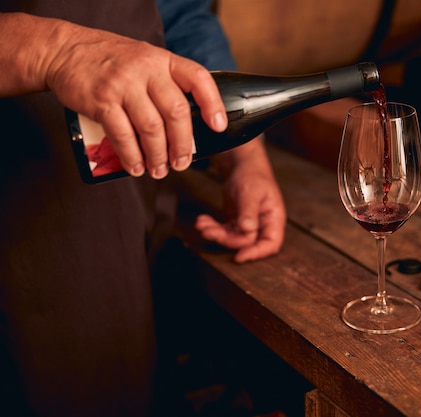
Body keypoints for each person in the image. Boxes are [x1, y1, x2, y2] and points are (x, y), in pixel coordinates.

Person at [0, 0, 286, 416]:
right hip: (23, 222)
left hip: (136, 209)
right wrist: (53, 49)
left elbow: (178, 13)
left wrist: (243, 158)